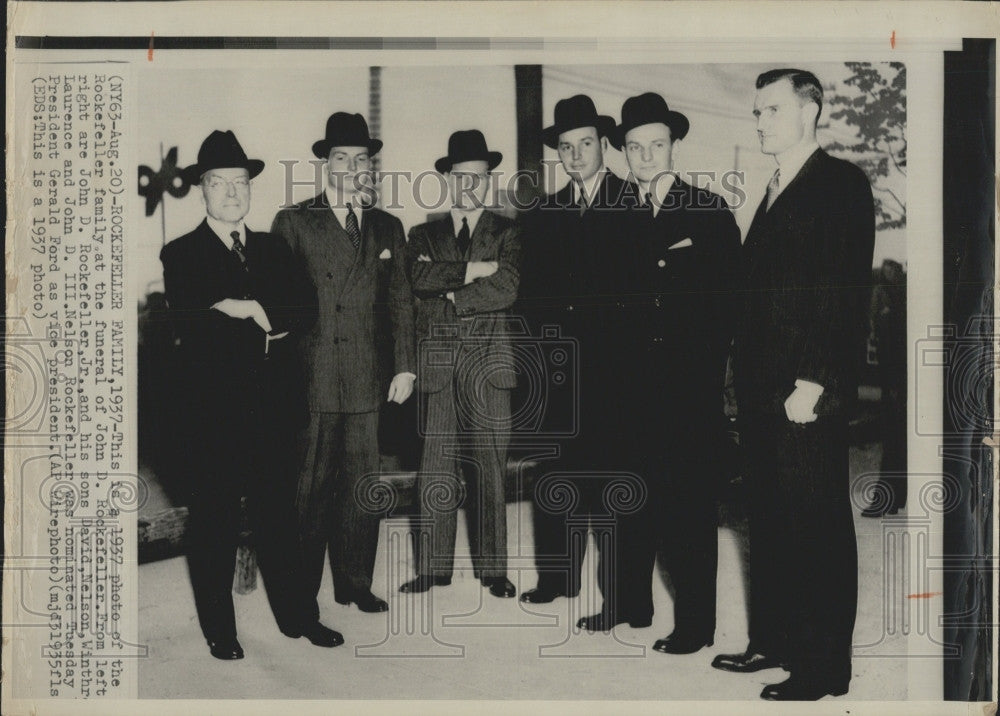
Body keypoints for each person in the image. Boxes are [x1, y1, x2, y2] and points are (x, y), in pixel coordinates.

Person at [717, 69, 875, 700]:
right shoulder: (776, 187)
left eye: (772, 110)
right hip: (762, 393)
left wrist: (817, 380)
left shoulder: (839, 184)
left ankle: (823, 668)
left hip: (804, 391)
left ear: (811, 111)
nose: (760, 122)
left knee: (816, 526)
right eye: (756, 113)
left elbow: (844, 293)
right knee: (772, 521)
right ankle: (775, 642)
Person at [160, 130, 342, 659]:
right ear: (203, 190)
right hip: (213, 418)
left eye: (241, 183)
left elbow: (304, 310)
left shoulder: (273, 247)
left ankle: (298, 618)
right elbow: (193, 322)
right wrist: (252, 310)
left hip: (272, 412)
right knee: (215, 523)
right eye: (220, 183)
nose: (233, 193)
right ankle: (221, 630)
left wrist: (242, 309)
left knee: (278, 518)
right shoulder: (181, 253)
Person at [575, 93, 740, 646]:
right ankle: (628, 607)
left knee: (687, 510)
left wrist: (702, 379)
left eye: (657, 144)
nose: (646, 154)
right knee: (625, 503)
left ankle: (695, 625)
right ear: (621, 150)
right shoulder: (607, 217)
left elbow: (728, 305)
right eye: (635, 146)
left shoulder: (709, 210)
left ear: (674, 146)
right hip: (622, 392)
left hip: (685, 393)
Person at [271, 112, 417, 616]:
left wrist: (405, 367)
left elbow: (401, 302)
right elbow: (279, 302)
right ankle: (300, 594)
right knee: (309, 491)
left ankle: (355, 583)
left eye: (361, 159)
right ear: (325, 164)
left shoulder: (387, 226)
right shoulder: (294, 221)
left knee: (362, 488)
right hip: (312, 380)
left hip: (368, 380)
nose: (352, 167)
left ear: (369, 167)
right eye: (341, 158)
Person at [517, 94, 630, 606]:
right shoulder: (542, 215)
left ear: (604, 145)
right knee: (555, 477)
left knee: (611, 480)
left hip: (615, 373)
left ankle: (616, 594)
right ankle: (557, 580)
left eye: (586, 143)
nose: (576, 154)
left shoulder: (633, 204)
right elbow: (530, 299)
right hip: (559, 372)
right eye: (566, 146)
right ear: (557, 154)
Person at [400, 129, 520, 599]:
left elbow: (508, 286)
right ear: (447, 179)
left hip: (490, 366)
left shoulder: (508, 231)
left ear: (488, 180)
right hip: (439, 367)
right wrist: (472, 272)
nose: (470, 185)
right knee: (436, 468)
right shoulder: (421, 234)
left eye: (479, 177)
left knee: (490, 468)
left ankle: (494, 570)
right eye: (461, 176)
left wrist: (449, 290)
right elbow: (416, 276)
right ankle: (432, 568)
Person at [862, 258, 907, 517]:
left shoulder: (892, 299)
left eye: (893, 267)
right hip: (896, 379)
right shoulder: (886, 295)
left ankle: (889, 496)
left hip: (898, 379)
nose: (889, 271)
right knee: (895, 438)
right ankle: (894, 496)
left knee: (895, 439)